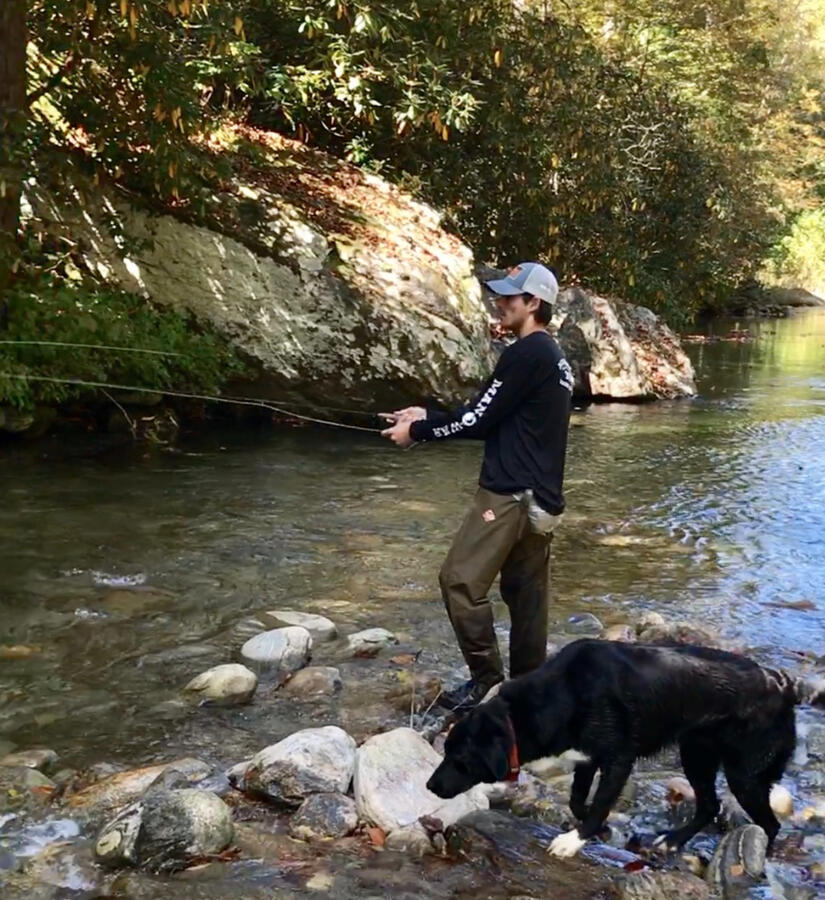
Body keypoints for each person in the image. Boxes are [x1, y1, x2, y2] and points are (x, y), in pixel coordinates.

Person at [381, 262, 573, 711]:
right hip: (542, 502)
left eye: (511, 296)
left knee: (459, 583)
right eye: (501, 294)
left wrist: (419, 434)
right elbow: (489, 411)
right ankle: (529, 693)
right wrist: (425, 415)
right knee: (526, 596)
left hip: (508, 496)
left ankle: (487, 683)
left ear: (534, 303)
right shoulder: (553, 359)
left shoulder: (526, 354)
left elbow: (478, 420)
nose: (500, 303)